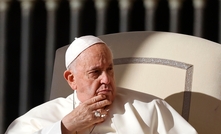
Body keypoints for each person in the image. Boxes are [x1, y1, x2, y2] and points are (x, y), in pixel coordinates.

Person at [5, 35, 198, 134]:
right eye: (95, 72)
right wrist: (66, 126)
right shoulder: (44, 116)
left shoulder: (149, 108)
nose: (106, 79)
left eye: (110, 70)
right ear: (71, 79)